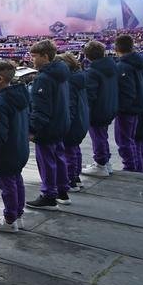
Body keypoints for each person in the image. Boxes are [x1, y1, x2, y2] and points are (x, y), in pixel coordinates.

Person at [0, 60, 30, 232]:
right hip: (19, 146)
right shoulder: (20, 95)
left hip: (6, 151)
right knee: (17, 181)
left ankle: (9, 219)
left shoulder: (1, 102)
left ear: (0, 78)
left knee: (7, 186)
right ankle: (17, 214)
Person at [26, 40, 71, 210]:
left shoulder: (44, 78)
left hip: (48, 127)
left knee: (47, 162)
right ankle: (62, 191)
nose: (31, 60)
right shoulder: (61, 72)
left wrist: (32, 129)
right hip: (60, 123)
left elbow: (41, 109)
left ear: (45, 56)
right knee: (59, 158)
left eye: (34, 56)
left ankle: (49, 195)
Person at [82, 40, 118, 177]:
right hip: (110, 106)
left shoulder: (92, 72)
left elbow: (89, 95)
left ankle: (100, 164)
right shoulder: (113, 67)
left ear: (87, 56)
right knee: (103, 135)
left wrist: (85, 111)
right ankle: (105, 162)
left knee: (98, 137)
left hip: (98, 109)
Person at [114, 34, 143, 172]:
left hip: (128, 110)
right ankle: (137, 168)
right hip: (138, 106)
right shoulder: (136, 63)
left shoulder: (123, 66)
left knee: (124, 140)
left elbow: (127, 92)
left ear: (117, 48)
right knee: (133, 141)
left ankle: (130, 168)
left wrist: (120, 108)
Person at [59, 53, 89, 191]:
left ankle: (70, 180)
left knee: (69, 151)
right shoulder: (79, 78)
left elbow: (70, 105)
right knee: (75, 150)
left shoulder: (70, 83)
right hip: (80, 120)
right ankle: (75, 177)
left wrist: (66, 124)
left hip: (72, 122)